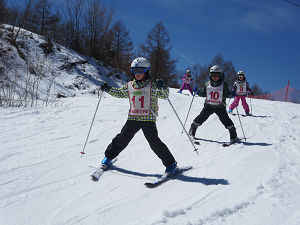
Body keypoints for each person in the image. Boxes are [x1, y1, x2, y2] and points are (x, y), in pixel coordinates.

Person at [99, 57, 179, 175]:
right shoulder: (130, 85)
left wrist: (163, 86)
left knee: (154, 142)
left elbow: (164, 95)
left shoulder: (152, 85)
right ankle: (108, 157)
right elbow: (120, 93)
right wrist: (108, 89)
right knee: (122, 138)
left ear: (147, 71)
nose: (137, 74)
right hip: (133, 118)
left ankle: (171, 164)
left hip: (148, 118)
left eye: (140, 71)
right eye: (135, 71)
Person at [189, 65, 238, 143]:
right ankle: (192, 131)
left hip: (220, 106)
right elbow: (204, 93)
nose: (215, 77)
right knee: (202, 117)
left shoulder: (224, 84)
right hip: (208, 105)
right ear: (210, 75)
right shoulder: (207, 84)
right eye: (213, 75)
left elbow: (226, 94)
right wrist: (198, 92)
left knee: (225, 120)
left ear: (220, 74)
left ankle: (233, 136)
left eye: (217, 75)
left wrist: (231, 94)